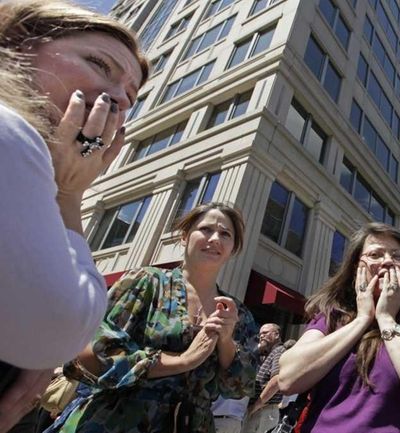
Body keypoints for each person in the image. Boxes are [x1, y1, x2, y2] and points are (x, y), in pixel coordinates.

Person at [0, 1, 149, 430]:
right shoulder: (15, 133)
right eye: (99, 64)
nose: (120, 97)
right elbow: (60, 325)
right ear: (19, 46)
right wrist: (70, 194)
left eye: (131, 96)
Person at [45, 203, 259, 433]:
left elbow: (241, 388)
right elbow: (92, 350)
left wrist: (225, 342)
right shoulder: (147, 282)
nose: (215, 238)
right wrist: (182, 361)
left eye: (225, 234)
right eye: (206, 229)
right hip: (119, 420)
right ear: (185, 236)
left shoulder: (238, 314)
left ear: (233, 248)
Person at [278, 222, 400, 433]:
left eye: (398, 256)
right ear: (356, 269)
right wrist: (362, 319)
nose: (388, 261)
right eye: (376, 254)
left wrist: (386, 319)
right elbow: (289, 378)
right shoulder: (331, 318)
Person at [244, 323, 285, 432]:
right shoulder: (268, 354)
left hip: (263, 410)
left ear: (276, 335)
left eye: (265, 333)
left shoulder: (279, 350)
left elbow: (276, 380)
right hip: (261, 410)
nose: (261, 336)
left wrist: (256, 406)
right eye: (260, 334)